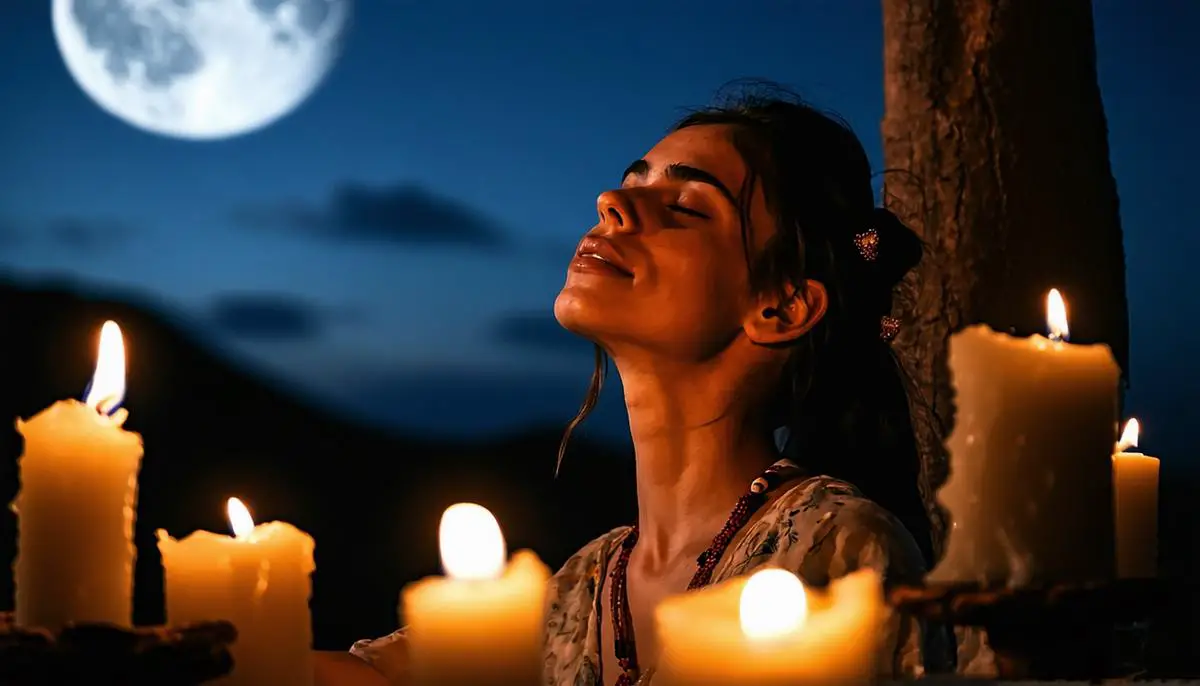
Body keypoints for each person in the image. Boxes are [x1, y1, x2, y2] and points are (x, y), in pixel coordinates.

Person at [316, 84, 960, 685]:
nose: (611, 203)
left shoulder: (836, 555)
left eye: (684, 206)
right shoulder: (584, 588)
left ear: (781, 306)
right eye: (630, 184)